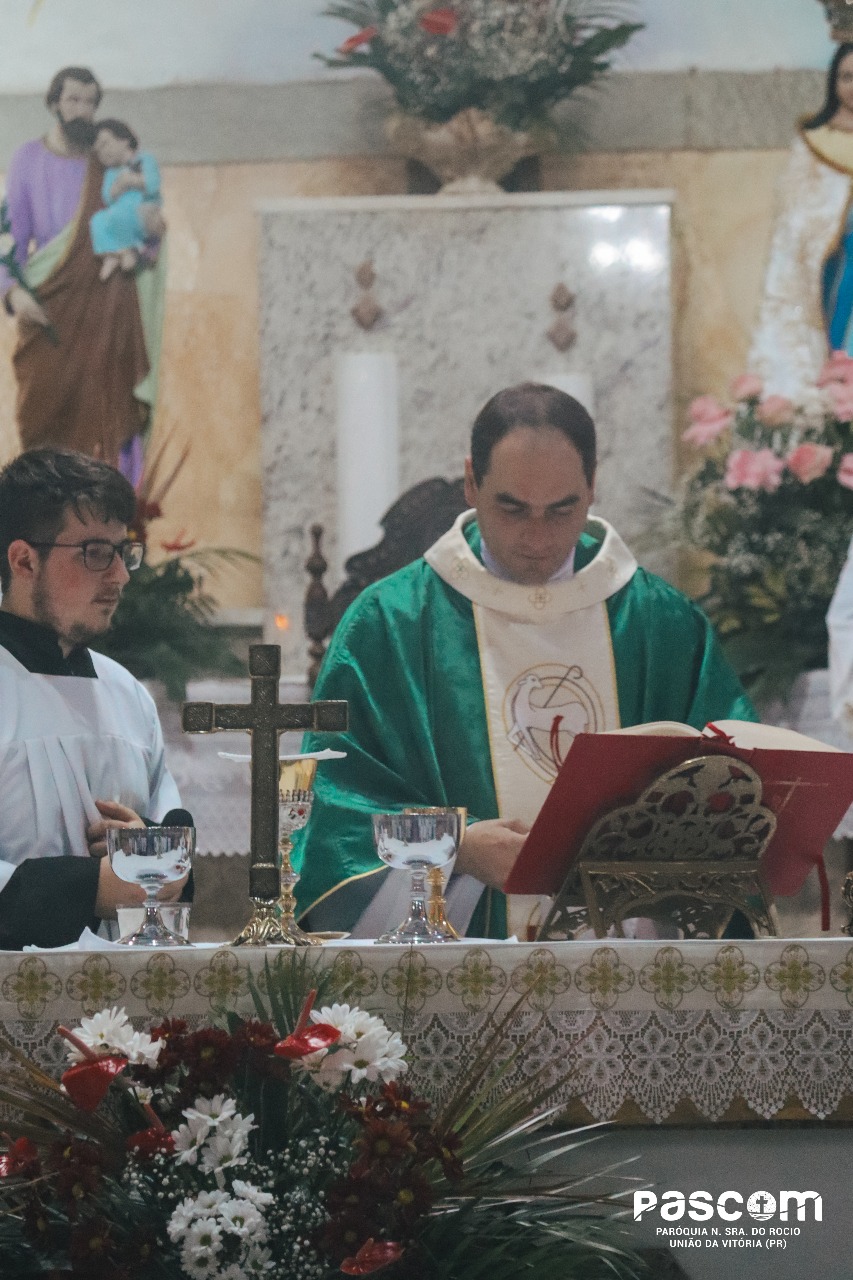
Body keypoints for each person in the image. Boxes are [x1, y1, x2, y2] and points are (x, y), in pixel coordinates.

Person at [293, 384, 756, 939]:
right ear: (471, 482)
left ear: (591, 488)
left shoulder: (662, 625)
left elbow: (736, 791)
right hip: (455, 973)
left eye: (562, 510)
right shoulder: (389, 625)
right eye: (512, 509)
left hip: (628, 974)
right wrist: (453, 848)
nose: (537, 539)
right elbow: (332, 811)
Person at [0, 448, 188, 949]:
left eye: (122, 552)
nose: (121, 576)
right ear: (24, 560)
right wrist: (97, 888)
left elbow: (176, 848)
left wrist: (151, 847)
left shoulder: (127, 693)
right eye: (95, 553)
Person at [0, 67, 166, 484]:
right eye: (73, 100)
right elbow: (10, 242)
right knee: (41, 419)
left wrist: (153, 232)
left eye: (91, 102)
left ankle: (110, 523)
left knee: (109, 420)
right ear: (55, 102)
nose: (83, 110)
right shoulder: (27, 160)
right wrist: (13, 295)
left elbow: (139, 229)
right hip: (52, 308)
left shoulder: (105, 159)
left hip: (109, 311)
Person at [749, 42, 853, 398]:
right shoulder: (814, 140)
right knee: (834, 333)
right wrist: (820, 227)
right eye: (846, 77)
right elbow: (795, 204)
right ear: (833, 83)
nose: (852, 86)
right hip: (831, 260)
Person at [90, 119, 162, 282]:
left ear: (124, 140)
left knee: (119, 215)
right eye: (98, 150)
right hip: (121, 215)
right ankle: (112, 254)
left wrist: (131, 181)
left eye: (105, 144)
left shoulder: (145, 159)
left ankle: (129, 251)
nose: (102, 152)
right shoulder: (110, 172)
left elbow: (153, 184)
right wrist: (116, 189)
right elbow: (108, 197)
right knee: (97, 220)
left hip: (143, 210)